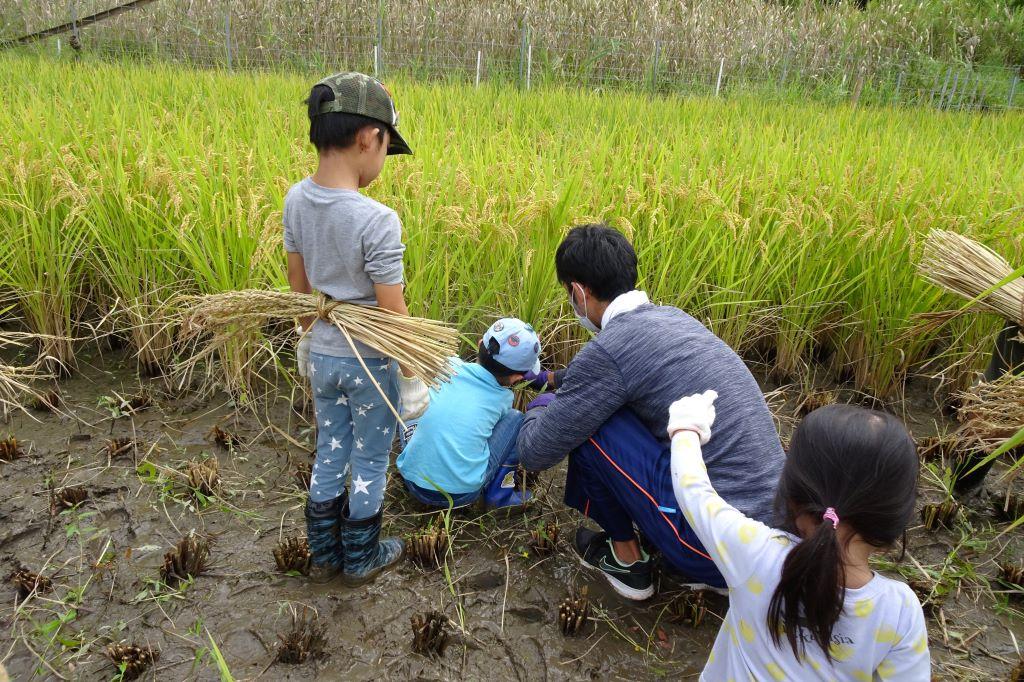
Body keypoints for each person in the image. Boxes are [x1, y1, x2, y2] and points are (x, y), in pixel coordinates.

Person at [517, 224, 784, 600]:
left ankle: (628, 564)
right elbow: (609, 374)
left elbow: (534, 452)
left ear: (579, 292)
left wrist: (540, 406)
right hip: (770, 538)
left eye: (569, 295)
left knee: (591, 423)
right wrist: (548, 379)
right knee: (600, 405)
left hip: (716, 550)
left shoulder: (612, 350)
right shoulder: (672, 318)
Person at [667, 393, 930, 680]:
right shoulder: (901, 611)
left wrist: (686, 428)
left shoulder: (757, 554)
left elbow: (692, 491)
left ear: (793, 498)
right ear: (892, 522)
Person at [284, 72, 429, 585]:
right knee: (369, 458)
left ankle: (324, 553)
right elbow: (393, 314)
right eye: (387, 147)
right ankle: (361, 557)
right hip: (368, 361)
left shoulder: (295, 200)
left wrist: (305, 338)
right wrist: (411, 377)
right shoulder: (377, 219)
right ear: (368, 138)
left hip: (322, 356)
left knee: (329, 448)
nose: (384, 161)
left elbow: (299, 289)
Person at [397, 318, 541, 508]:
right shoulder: (503, 398)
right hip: (461, 494)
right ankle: (500, 496)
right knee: (515, 419)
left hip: (413, 482)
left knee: (411, 401)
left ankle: (419, 459)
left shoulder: (448, 365)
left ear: (480, 344)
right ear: (517, 378)